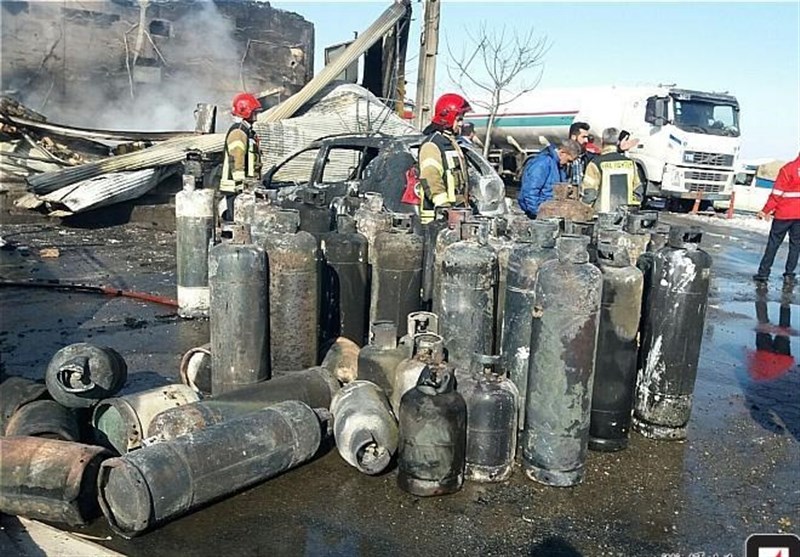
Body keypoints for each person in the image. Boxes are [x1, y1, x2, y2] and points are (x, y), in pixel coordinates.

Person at [416, 93, 472, 224]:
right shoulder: (432, 144)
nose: (462, 124)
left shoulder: (451, 143)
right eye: (459, 119)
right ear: (447, 118)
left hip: (454, 215)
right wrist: (444, 207)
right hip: (437, 219)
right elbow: (430, 175)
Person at [753, 154, 800, 285]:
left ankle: (763, 273)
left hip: (784, 214)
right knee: (795, 246)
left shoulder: (788, 169)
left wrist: (765, 210)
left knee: (773, 244)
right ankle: (789, 275)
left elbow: (777, 194)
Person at [219, 92, 263, 220]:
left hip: (246, 187)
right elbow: (237, 159)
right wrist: (241, 186)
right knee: (238, 223)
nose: (257, 116)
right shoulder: (238, 132)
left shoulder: (247, 131)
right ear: (246, 111)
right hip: (237, 189)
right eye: (255, 112)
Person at [580, 127, 643, 213]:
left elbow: (590, 193)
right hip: (625, 216)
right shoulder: (630, 163)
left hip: (603, 216)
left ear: (602, 141)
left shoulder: (595, 164)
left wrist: (584, 210)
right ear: (618, 142)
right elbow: (638, 190)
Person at [517, 139, 581, 219]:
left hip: (550, 212)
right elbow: (530, 191)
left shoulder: (558, 166)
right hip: (539, 214)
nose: (568, 164)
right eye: (569, 160)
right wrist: (537, 212)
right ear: (562, 153)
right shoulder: (542, 163)